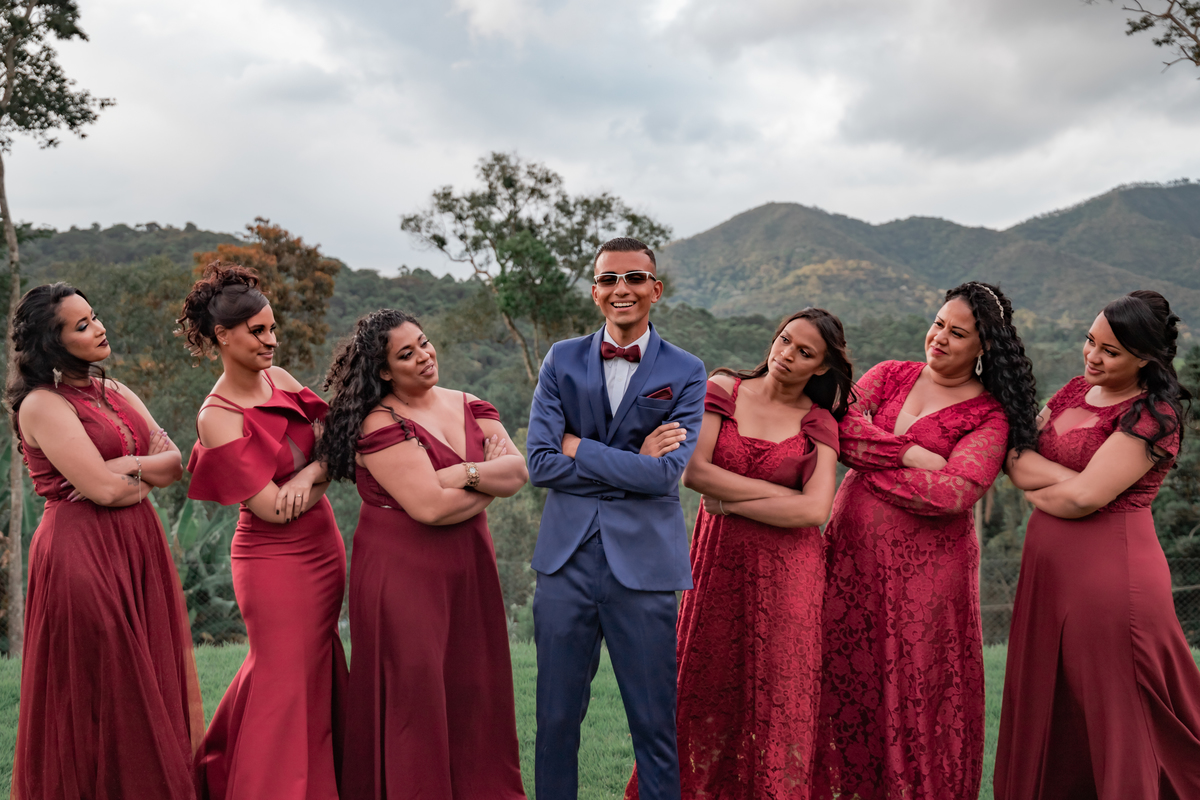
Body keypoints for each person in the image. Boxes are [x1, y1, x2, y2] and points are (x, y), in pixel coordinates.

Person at [815, 282, 1039, 800]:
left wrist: (870, 460)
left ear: (984, 347)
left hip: (928, 580)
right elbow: (840, 428)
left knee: (913, 688)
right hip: (850, 561)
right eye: (939, 324)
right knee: (844, 675)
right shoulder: (890, 373)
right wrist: (909, 455)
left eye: (957, 333)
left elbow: (953, 493)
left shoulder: (990, 415)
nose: (939, 337)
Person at [625, 308, 850, 800]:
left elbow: (815, 511)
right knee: (704, 685)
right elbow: (695, 473)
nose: (786, 354)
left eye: (804, 352)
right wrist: (780, 495)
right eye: (785, 339)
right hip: (719, 565)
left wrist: (731, 502)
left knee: (778, 694)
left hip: (791, 575)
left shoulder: (818, 421)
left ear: (820, 367)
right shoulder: (723, 389)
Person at [995, 290, 1200, 799]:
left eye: (1110, 351)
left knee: (1119, 704)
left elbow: (1083, 500)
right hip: (1050, 570)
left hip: (1111, 575)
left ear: (1145, 358)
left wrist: (1056, 490)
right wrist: (1070, 485)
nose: (1092, 356)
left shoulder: (1154, 415)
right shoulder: (1073, 391)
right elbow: (1016, 459)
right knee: (1058, 699)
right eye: (1091, 341)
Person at [319, 308, 528, 799]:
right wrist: (488, 479)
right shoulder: (379, 422)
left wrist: (462, 474)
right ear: (385, 371)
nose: (424, 356)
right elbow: (430, 508)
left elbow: (518, 473)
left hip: (469, 565)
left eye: (424, 343)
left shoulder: (469, 403)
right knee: (415, 693)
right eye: (406, 354)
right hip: (403, 573)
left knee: (472, 684)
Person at [527, 236, 707, 800]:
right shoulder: (561, 359)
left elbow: (663, 475)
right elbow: (540, 463)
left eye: (633, 278)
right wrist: (632, 462)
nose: (620, 288)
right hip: (565, 563)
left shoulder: (686, 370)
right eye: (608, 279)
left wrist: (578, 446)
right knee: (555, 721)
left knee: (654, 726)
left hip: (646, 569)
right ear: (595, 292)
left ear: (656, 289)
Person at [8, 283, 202, 800]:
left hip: (137, 545)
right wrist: (133, 471)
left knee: (147, 678)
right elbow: (103, 492)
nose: (99, 328)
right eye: (82, 325)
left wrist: (124, 464)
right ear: (52, 343)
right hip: (80, 553)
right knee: (108, 687)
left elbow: (174, 463)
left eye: (94, 317)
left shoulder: (113, 389)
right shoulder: (41, 405)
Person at [178, 262, 347, 800]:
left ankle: (259, 773)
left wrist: (311, 473)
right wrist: (321, 469)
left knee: (309, 666)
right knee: (282, 675)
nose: (272, 340)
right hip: (271, 559)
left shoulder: (283, 379)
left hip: (322, 544)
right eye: (258, 331)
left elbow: (336, 445)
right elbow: (272, 509)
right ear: (222, 336)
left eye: (273, 328)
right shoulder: (217, 415)